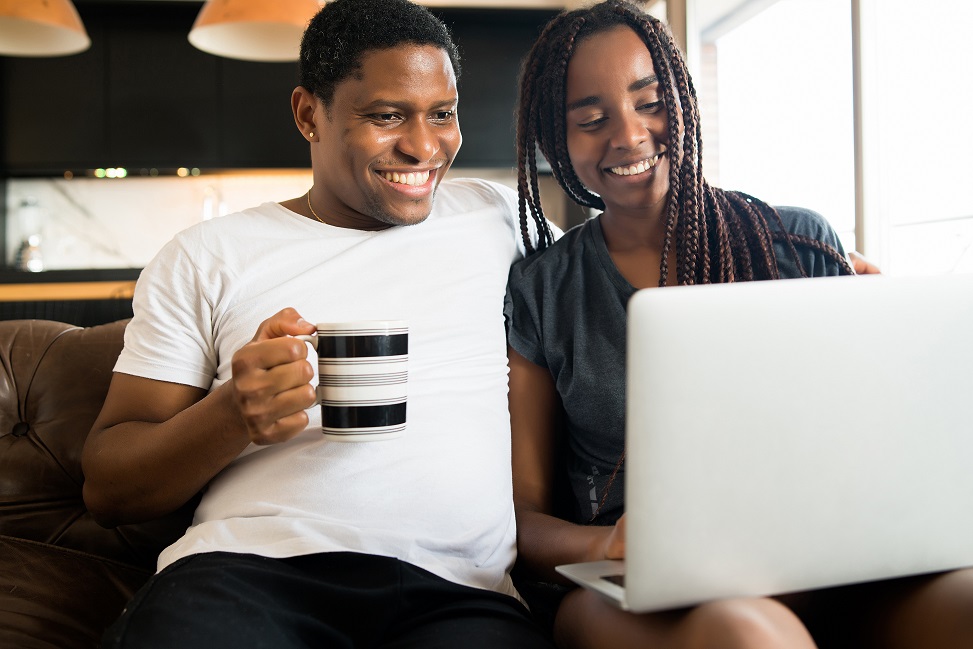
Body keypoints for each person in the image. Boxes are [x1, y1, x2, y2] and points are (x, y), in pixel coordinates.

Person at [81, 1, 555, 647]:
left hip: (459, 594)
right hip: (247, 574)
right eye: (387, 115)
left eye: (441, 112)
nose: (423, 145)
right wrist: (230, 415)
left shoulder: (499, 218)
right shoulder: (207, 255)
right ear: (310, 114)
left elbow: (618, 282)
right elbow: (108, 486)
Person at [504, 2, 973, 648]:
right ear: (557, 138)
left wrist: (899, 348)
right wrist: (606, 540)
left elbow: (882, 444)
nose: (628, 135)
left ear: (683, 97)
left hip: (823, 557)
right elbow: (520, 519)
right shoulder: (543, 291)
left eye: (649, 102)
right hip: (632, 583)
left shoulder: (796, 243)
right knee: (747, 633)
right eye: (591, 119)